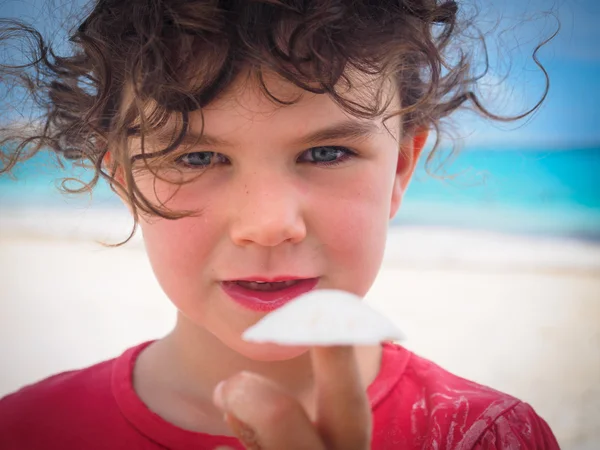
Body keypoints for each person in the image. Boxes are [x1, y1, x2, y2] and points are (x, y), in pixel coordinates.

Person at [0, 0, 561, 449]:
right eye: (195, 157)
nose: (269, 226)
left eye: (326, 153)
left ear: (400, 169)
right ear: (124, 180)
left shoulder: (488, 436)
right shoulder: (24, 433)